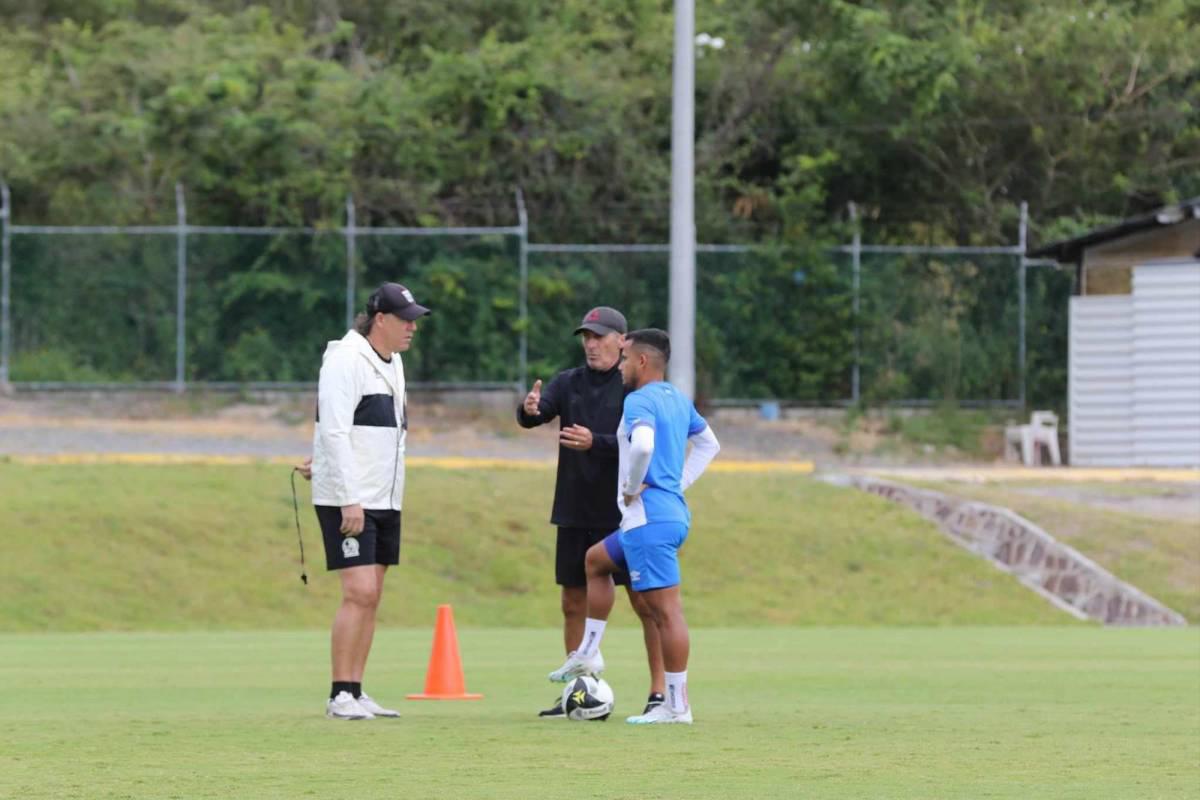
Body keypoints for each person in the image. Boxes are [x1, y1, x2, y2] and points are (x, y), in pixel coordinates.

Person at [547, 328, 719, 724]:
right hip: (664, 514)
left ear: (642, 361)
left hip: (648, 519)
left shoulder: (639, 400)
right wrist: (677, 483)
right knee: (595, 561)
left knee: (665, 613)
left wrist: (630, 486)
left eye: (625, 359)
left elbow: (642, 445)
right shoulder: (677, 398)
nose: (620, 365)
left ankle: (676, 707)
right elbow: (711, 444)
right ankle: (588, 651)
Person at [518, 306, 667, 719]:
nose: (591, 344)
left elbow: (640, 444)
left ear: (623, 342)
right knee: (572, 602)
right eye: (586, 336)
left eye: (600, 337)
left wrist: (595, 443)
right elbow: (538, 412)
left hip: (624, 512)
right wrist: (529, 409)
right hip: (574, 508)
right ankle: (579, 690)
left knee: (645, 602)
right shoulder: (569, 382)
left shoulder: (635, 390)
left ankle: (659, 691)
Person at [298, 281, 430, 720]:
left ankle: (356, 690)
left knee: (373, 597)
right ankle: (339, 694)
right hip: (349, 499)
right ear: (380, 320)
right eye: (405, 320)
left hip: (385, 497)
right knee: (359, 592)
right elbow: (333, 428)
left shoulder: (392, 362)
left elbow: (364, 431)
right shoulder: (345, 360)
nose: (412, 328)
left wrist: (324, 461)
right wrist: (348, 497)